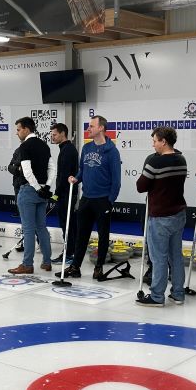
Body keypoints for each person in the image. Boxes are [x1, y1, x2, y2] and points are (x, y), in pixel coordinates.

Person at [135, 126, 188, 307]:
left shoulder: (155, 162)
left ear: (163, 141)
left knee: (158, 258)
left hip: (160, 216)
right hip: (179, 213)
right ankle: (178, 293)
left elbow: (141, 186)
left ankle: (157, 296)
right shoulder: (181, 159)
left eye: (155, 141)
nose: (153, 145)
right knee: (176, 256)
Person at [65, 115, 121, 280]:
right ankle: (75, 266)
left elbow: (116, 181)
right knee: (81, 234)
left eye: (91, 126)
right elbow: (83, 170)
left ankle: (99, 267)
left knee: (103, 235)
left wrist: (110, 201)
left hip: (103, 199)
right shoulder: (86, 148)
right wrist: (76, 178)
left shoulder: (112, 151)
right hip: (86, 198)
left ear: (101, 128)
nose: (88, 129)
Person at [8, 116, 54, 274]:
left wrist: (36, 187)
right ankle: (47, 262)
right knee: (41, 227)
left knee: (28, 229)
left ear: (26, 129)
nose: (17, 133)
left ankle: (27, 264)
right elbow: (52, 168)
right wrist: (46, 186)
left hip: (29, 190)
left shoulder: (25, 146)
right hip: (42, 191)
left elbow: (26, 171)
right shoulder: (44, 145)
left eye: (18, 129)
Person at [50, 122, 79, 264]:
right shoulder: (65, 149)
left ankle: (69, 254)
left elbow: (64, 176)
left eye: (54, 134)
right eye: (51, 134)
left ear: (62, 133)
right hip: (65, 194)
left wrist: (56, 194)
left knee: (67, 225)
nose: (52, 137)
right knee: (69, 224)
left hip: (66, 194)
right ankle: (70, 252)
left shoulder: (68, 150)